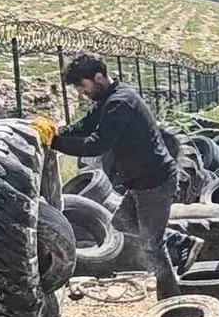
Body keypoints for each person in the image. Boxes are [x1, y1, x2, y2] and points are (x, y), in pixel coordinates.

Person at [31, 54, 202, 299]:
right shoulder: (108, 100)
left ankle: (171, 300)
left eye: (83, 86)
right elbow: (85, 126)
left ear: (98, 77)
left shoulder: (120, 102)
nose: (82, 92)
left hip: (154, 181)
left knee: (152, 246)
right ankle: (180, 241)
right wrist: (57, 132)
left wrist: (55, 143)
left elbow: (96, 144)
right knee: (121, 223)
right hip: (140, 180)